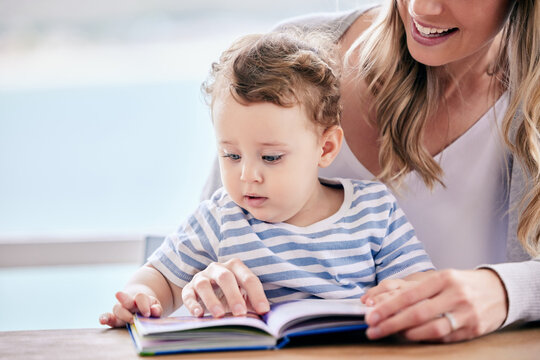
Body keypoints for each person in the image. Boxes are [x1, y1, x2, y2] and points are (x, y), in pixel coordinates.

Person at [187, 0, 540, 343]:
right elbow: (201, 239)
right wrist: (203, 277)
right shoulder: (290, 62)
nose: (421, 8)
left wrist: (505, 291)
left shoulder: (529, 100)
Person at [99, 30, 434, 328]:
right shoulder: (220, 217)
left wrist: (406, 294)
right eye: (231, 155)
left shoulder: (374, 210)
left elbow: (421, 286)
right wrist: (138, 295)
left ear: (326, 147)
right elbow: (159, 277)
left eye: (271, 157)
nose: (247, 175)